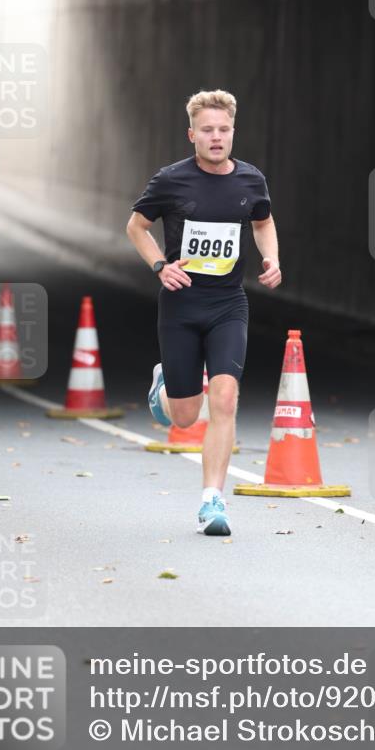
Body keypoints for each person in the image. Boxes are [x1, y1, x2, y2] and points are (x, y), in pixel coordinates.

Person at [126, 89, 281, 536]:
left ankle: (213, 499)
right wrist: (160, 265)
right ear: (192, 134)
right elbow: (136, 226)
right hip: (181, 304)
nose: (216, 137)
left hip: (228, 304)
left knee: (226, 397)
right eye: (208, 130)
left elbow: (263, 220)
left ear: (234, 132)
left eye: (224, 130)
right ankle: (165, 386)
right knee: (184, 417)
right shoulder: (171, 180)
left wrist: (270, 258)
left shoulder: (251, 180)